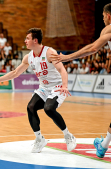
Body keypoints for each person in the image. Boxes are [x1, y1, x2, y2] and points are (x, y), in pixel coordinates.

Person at [0, 28, 77, 153]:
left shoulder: (49, 52)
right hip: (44, 88)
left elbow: (62, 70)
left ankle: (68, 135)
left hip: (57, 87)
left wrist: (64, 86)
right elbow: (15, 73)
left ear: (35, 40)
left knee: (49, 109)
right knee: (30, 107)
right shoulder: (28, 57)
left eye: (27, 38)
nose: (25, 41)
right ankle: (39, 139)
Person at [51, 3, 111, 158]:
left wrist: (66, 57)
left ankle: (103, 146)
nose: (103, 18)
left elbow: (92, 48)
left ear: (108, 15)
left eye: (103, 16)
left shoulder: (108, 29)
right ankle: (103, 146)